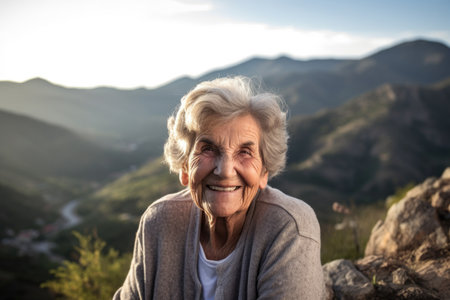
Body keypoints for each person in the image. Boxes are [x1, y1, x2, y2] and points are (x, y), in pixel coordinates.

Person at [113, 76, 324, 299]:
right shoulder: (159, 222)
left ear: (264, 172)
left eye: (245, 152)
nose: (225, 171)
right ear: (184, 167)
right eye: (208, 149)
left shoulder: (289, 228)